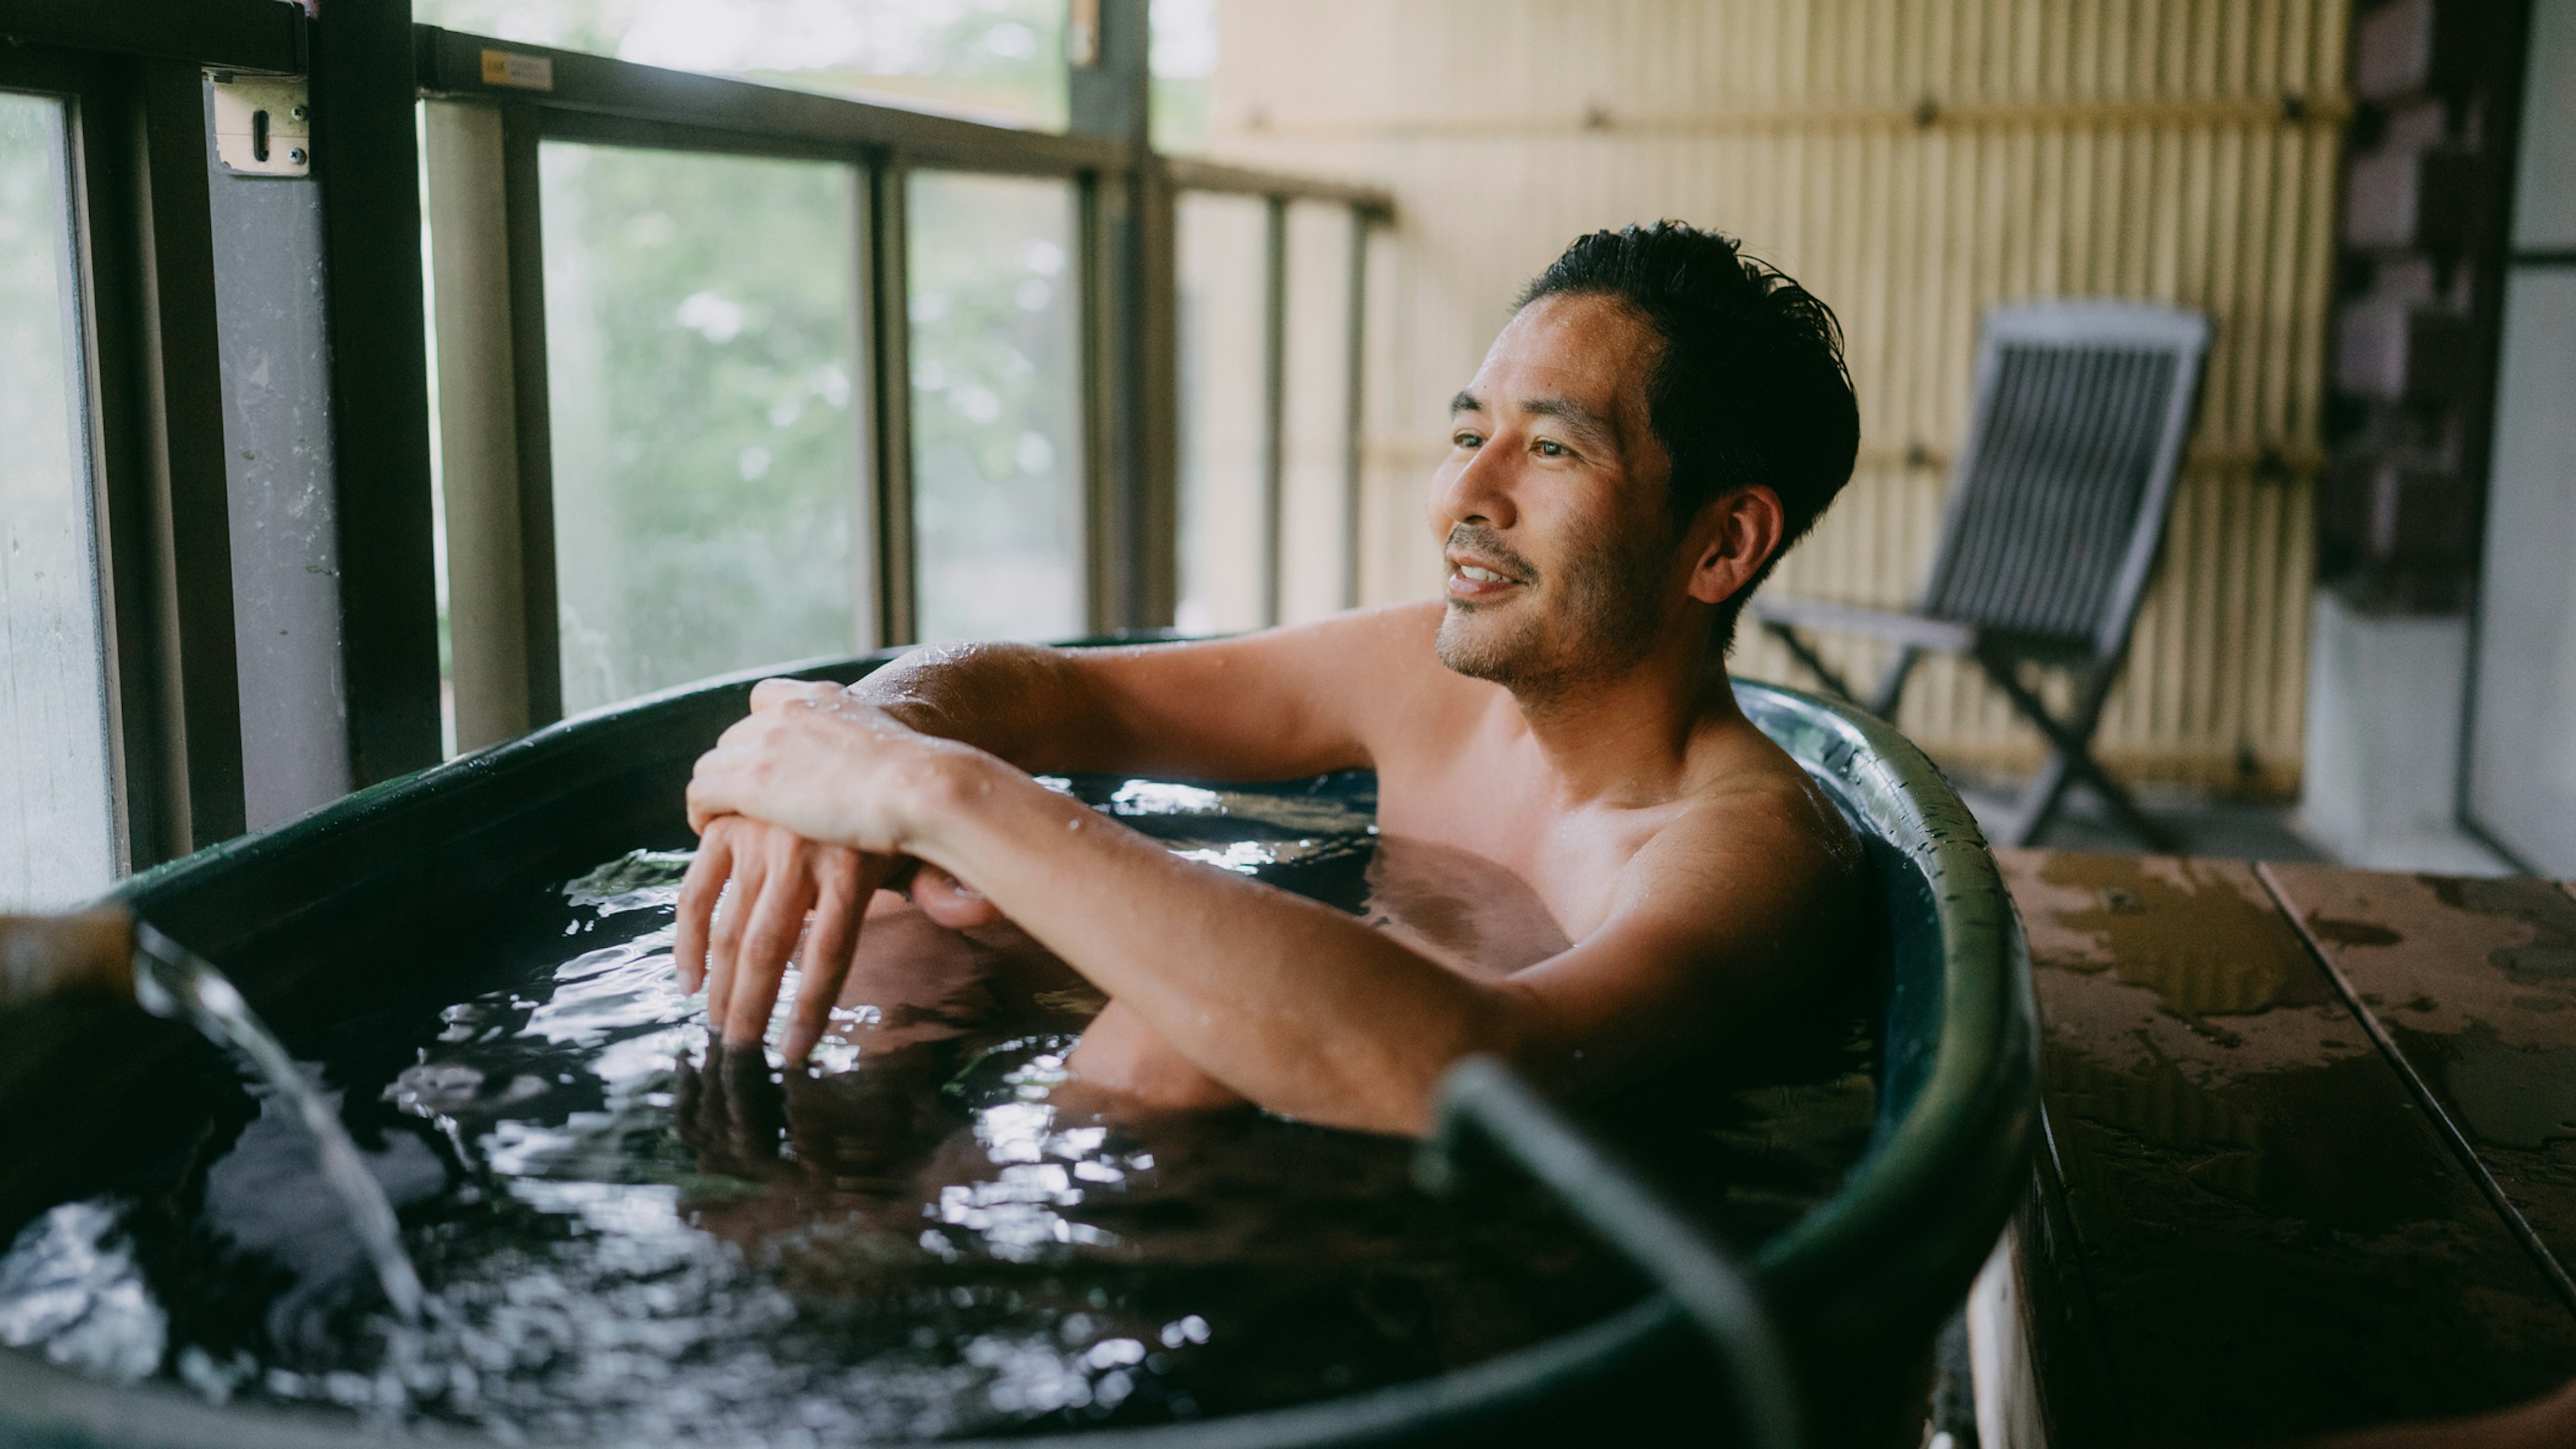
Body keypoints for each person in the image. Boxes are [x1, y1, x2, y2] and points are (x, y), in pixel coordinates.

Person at [677, 220, 1868, 1136]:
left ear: (1722, 545)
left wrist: (933, 792)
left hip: (1464, 1270)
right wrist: (861, 739)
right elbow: (1066, 693)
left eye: (1550, 449)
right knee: (889, 918)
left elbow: (1487, 1073)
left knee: (1172, 1037)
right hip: (1214, 1156)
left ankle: (911, 1301)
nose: (1464, 496)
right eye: (1469, 437)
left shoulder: (1743, 849)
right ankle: (839, 1216)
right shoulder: (1429, 679)